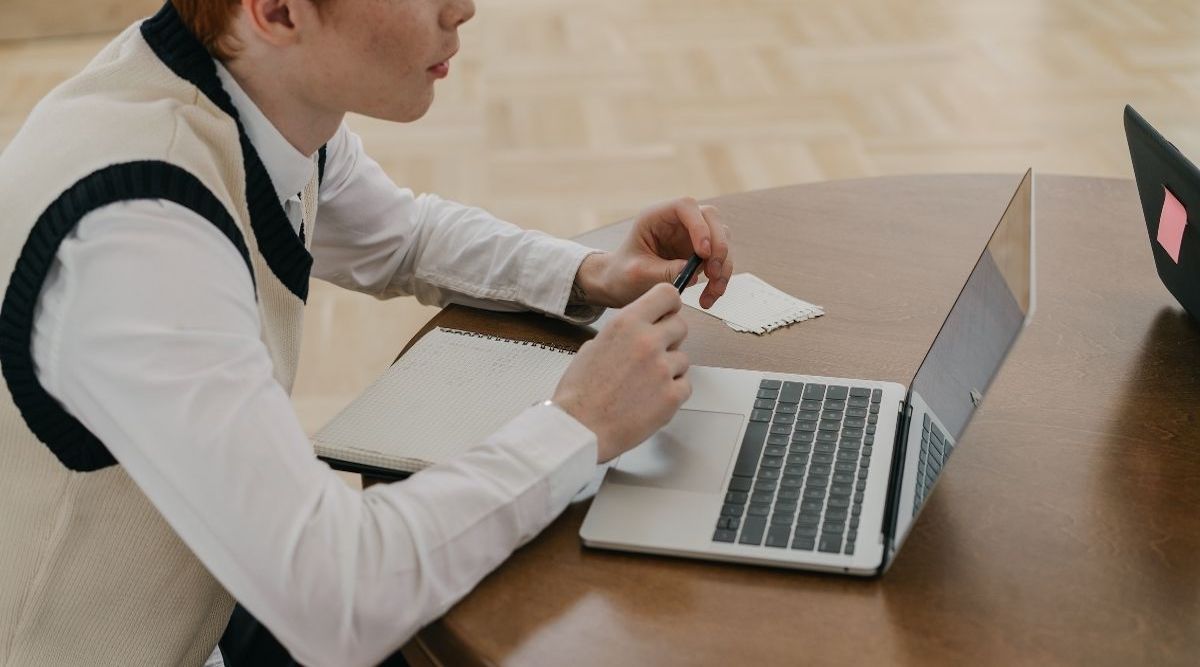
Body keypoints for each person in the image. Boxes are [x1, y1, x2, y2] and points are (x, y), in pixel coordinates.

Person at [0, 0, 734, 665]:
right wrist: (580, 423)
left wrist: (595, 272)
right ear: (279, 11)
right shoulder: (139, 238)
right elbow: (335, 597)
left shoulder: (252, 91)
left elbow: (403, 237)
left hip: (209, 602)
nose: (463, 9)